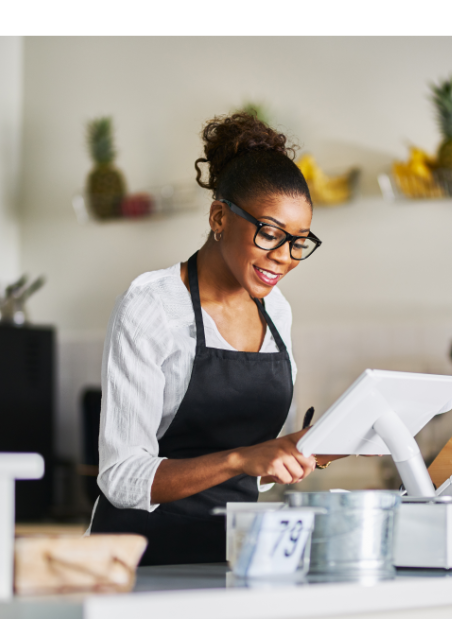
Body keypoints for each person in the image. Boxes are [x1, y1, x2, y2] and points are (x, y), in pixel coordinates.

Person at [89, 112, 332, 565]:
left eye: (299, 242)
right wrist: (242, 459)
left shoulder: (277, 312)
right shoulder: (152, 307)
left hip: (230, 559)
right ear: (220, 216)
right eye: (270, 234)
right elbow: (121, 477)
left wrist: (292, 453)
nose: (285, 258)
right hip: (139, 561)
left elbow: (253, 470)